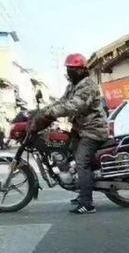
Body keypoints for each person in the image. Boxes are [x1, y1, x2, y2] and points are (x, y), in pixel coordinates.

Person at [33, 53, 108, 214]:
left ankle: (87, 204)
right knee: (67, 154)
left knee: (81, 162)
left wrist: (51, 113)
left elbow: (75, 106)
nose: (70, 72)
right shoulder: (72, 86)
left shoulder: (88, 86)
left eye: (73, 69)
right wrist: (42, 112)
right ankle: (81, 189)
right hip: (80, 130)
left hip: (93, 130)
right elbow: (62, 102)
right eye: (68, 69)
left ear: (82, 70)